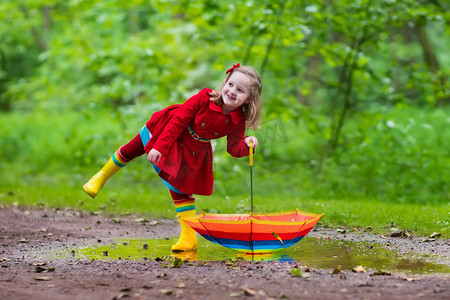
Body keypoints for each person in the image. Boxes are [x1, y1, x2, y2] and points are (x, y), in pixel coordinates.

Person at [83, 63, 262, 252]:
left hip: (194, 150)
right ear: (225, 83)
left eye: (240, 90)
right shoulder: (205, 97)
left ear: (249, 99)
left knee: (180, 188)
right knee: (131, 149)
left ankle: (188, 236)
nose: (232, 91)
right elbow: (179, 120)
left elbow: (234, 149)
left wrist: (248, 144)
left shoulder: (237, 120)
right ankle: (101, 176)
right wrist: (160, 147)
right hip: (170, 130)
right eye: (231, 84)